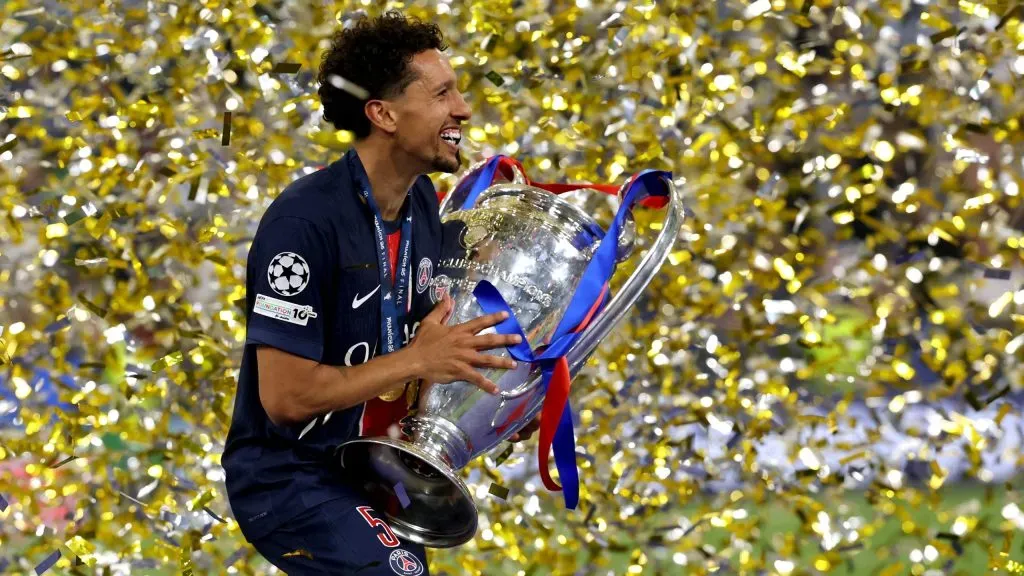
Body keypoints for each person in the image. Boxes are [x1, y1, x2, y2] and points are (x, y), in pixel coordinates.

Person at [222, 11, 538, 575]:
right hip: (290, 475)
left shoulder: (420, 205)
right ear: (384, 114)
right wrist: (418, 358)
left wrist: (501, 401)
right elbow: (286, 399)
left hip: (376, 469)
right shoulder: (304, 224)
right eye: (442, 94)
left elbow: (427, 347)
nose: (462, 109)